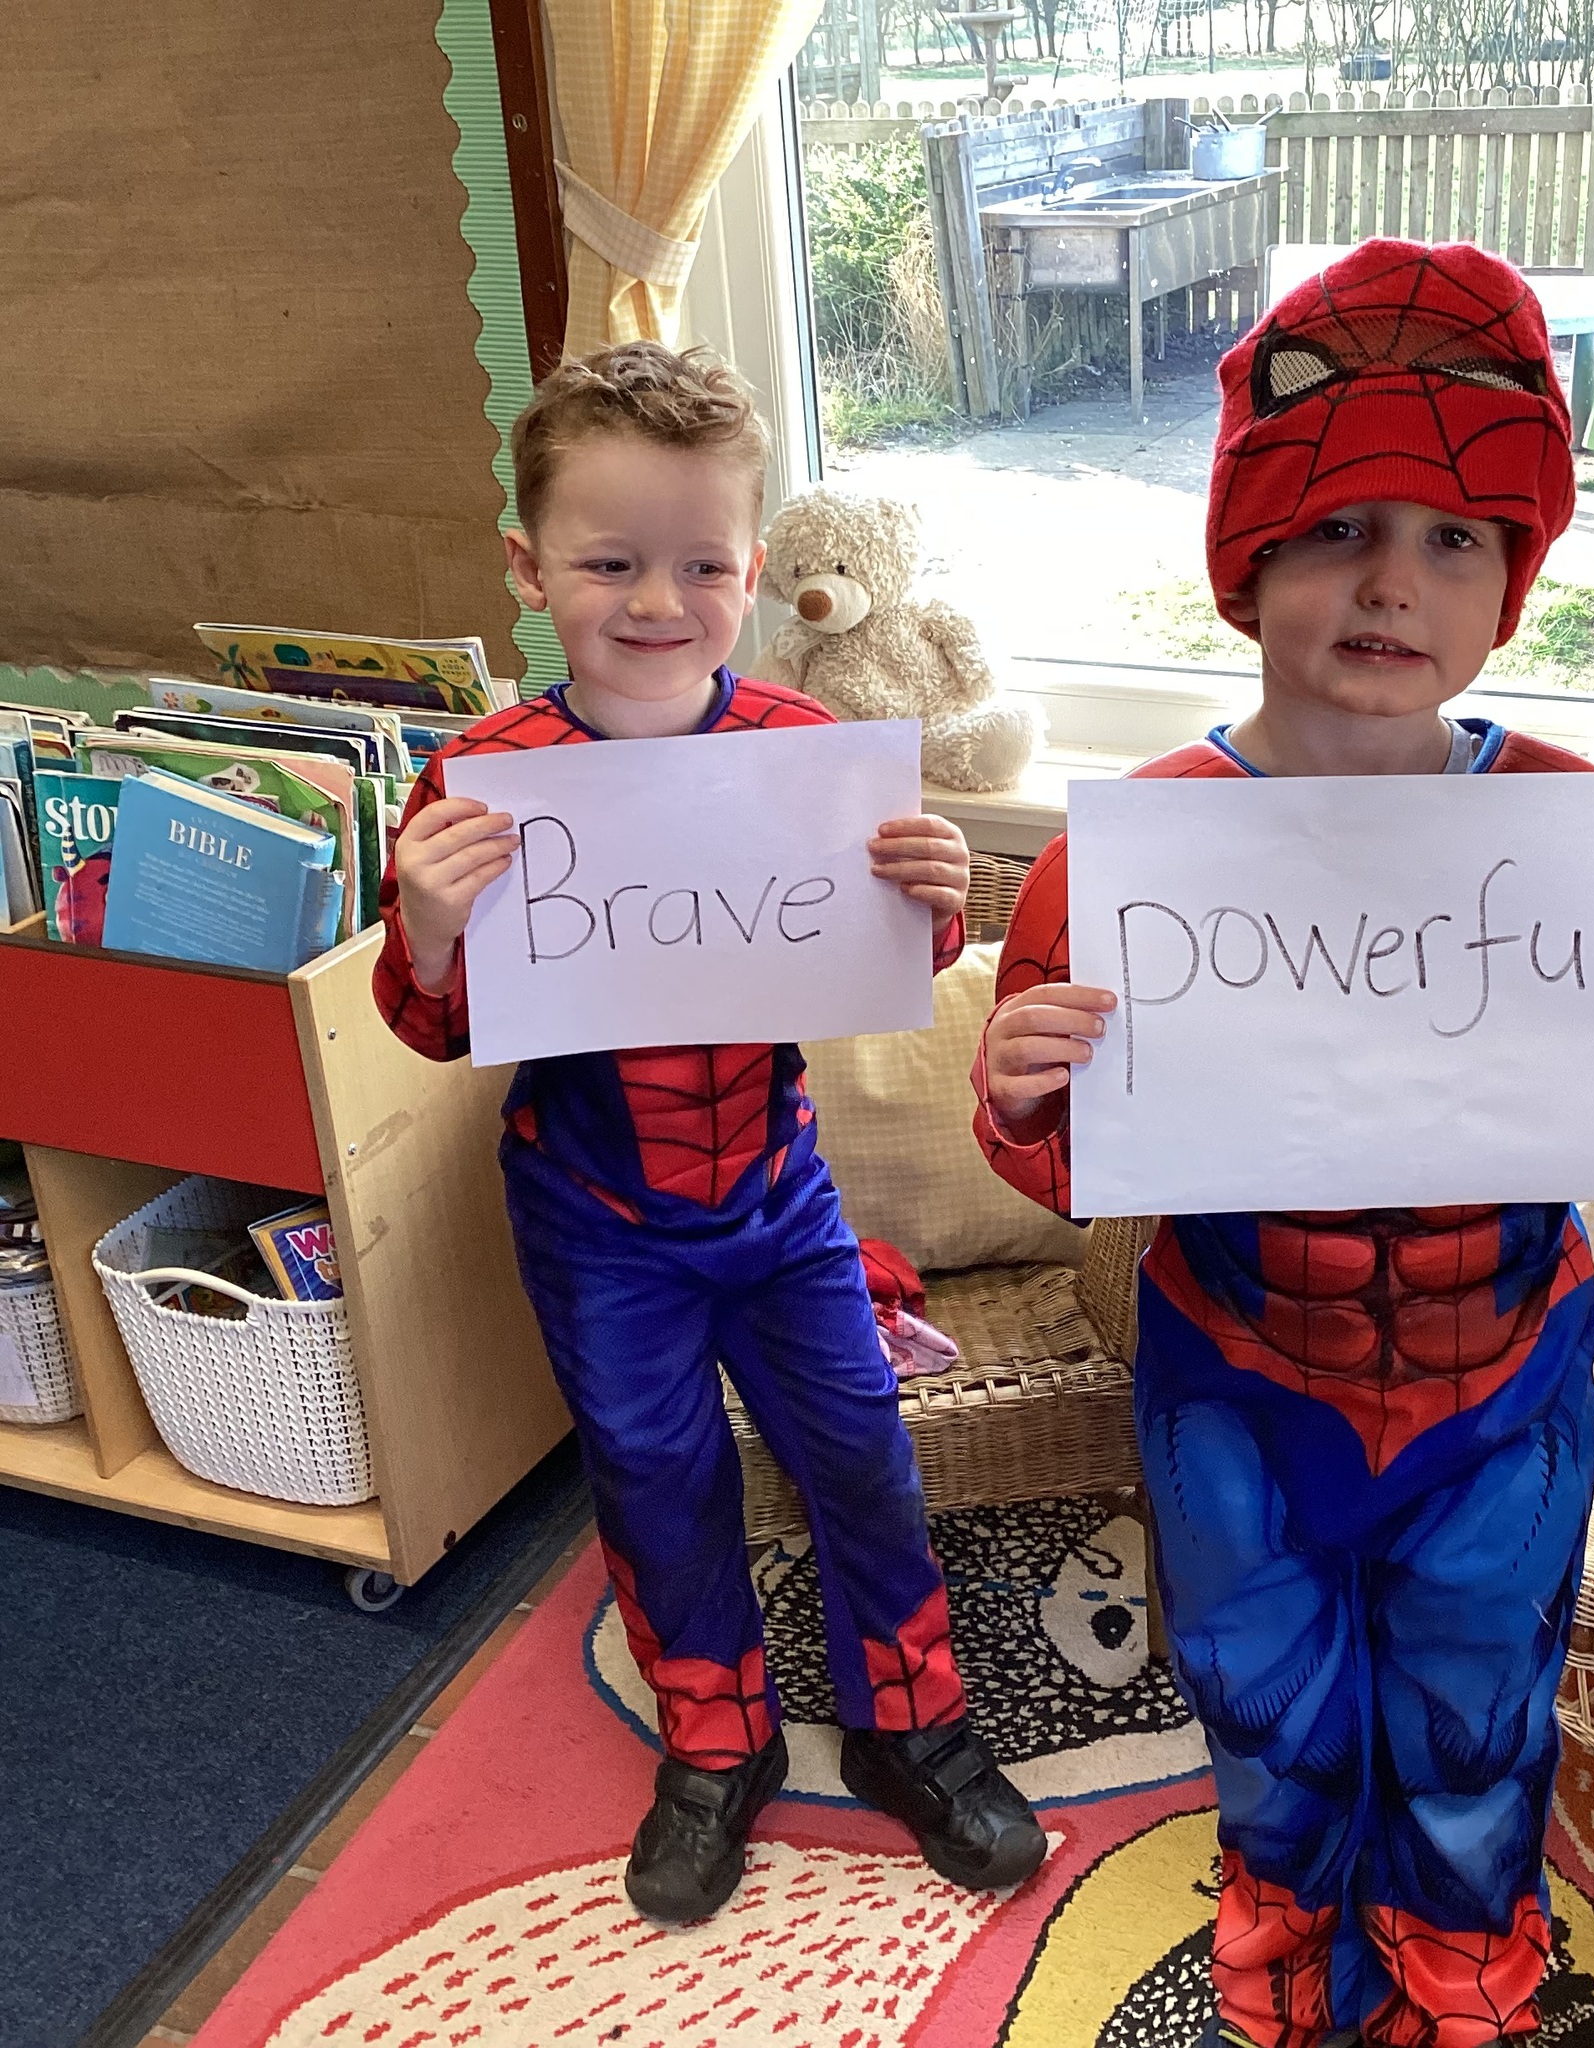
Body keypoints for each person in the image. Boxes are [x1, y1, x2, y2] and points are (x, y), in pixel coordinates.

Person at [972, 240, 1594, 2048]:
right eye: (1339, 527)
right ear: (1250, 556)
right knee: (1261, 1701)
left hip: (1501, 1369)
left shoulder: (1570, 835)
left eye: (1452, 540)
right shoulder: (1127, 858)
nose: (1391, 582)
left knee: (1474, 1709)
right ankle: (1279, 1930)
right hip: (1236, 1364)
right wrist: (1027, 1092)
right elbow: (1065, 1150)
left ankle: (1461, 1958)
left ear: (1512, 579)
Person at [373, 340, 1045, 1925]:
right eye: (610, 563)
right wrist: (430, 927)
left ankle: (911, 1722)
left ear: (750, 570)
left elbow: (875, 954)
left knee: (861, 1457)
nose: (658, 602)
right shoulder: (481, 781)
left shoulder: (802, 747)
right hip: (594, 1215)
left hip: (779, 1196)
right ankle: (715, 1740)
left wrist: (933, 903)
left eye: (701, 565)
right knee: (656, 1475)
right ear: (529, 567)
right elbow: (435, 1026)